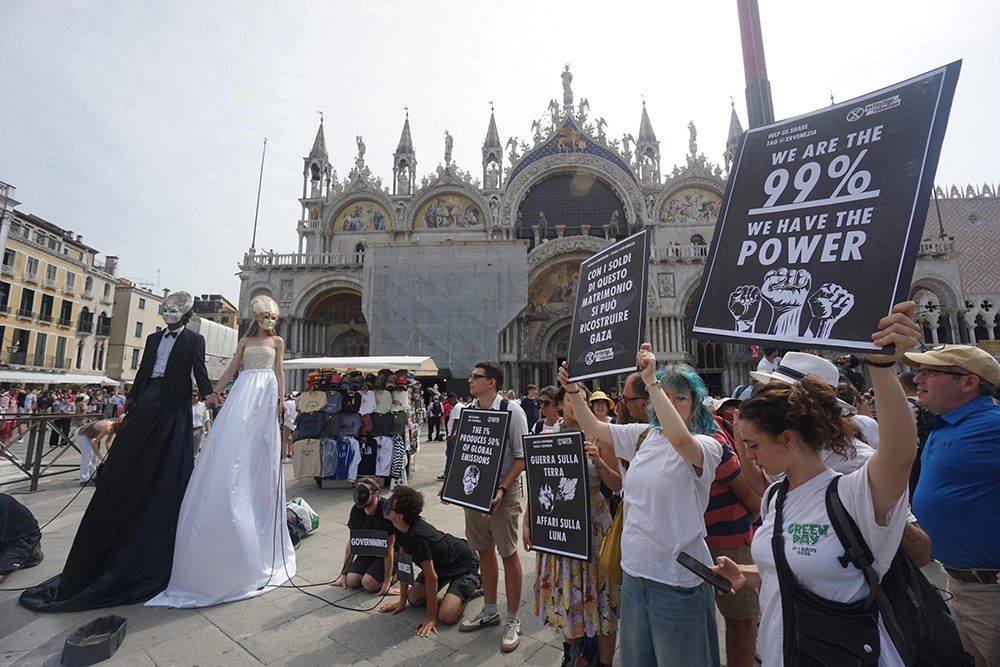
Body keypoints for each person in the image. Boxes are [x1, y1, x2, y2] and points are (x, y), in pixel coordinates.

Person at [712, 302, 922, 667]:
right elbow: (802, 563)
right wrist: (748, 573)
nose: (747, 455)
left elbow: (900, 453)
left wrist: (882, 366)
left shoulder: (853, 491)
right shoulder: (776, 496)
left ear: (788, 438)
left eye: (753, 445)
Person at [21, 291, 214, 612]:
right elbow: (144, 369)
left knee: (167, 451)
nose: (171, 314)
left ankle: (161, 482)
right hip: (149, 395)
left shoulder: (194, 340)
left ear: (186, 314)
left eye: (176, 310)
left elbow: (199, 372)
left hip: (174, 401)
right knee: (132, 445)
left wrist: (209, 396)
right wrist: (132, 396)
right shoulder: (153, 339)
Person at [559, 347, 724, 666]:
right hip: (635, 572)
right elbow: (593, 426)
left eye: (681, 398)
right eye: (666, 396)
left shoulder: (706, 445)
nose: (671, 404)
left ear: (696, 404)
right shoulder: (644, 436)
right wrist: (572, 389)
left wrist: (651, 381)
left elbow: (680, 440)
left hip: (676, 579)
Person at [146, 295, 294, 608]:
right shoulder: (245, 341)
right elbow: (232, 369)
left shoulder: (278, 342)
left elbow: (280, 371)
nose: (270, 322)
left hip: (266, 389)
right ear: (257, 317)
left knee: (260, 444)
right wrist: (214, 392)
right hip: (245, 389)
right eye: (266, 317)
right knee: (235, 440)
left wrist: (282, 399)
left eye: (273, 318)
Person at [904, 344, 1000, 666]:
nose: (917, 379)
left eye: (929, 372)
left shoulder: (993, 426)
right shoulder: (946, 422)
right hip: (959, 584)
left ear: (969, 383)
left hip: (991, 594)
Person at [522, 384, 621, 667]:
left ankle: (604, 662)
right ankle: (571, 654)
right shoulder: (546, 437)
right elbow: (539, 486)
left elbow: (616, 484)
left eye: (584, 399)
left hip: (593, 523)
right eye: (572, 399)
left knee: (600, 595)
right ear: (560, 404)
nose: (579, 404)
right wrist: (528, 522)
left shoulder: (601, 435)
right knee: (567, 590)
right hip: (559, 524)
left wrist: (599, 461)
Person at [453, 361, 527, 653]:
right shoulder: (469, 410)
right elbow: (465, 452)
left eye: (476, 377)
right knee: (483, 551)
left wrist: (502, 489)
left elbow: (521, 457)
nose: (470, 380)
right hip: (475, 491)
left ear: (491, 382)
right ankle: (490, 609)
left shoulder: (512, 411)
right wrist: (453, 486)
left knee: (508, 553)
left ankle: (513, 618)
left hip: (502, 494)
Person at [379, 485, 481, 637]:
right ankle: (449, 582)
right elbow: (403, 565)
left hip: (463, 562)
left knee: (446, 616)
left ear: (399, 516)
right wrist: (402, 602)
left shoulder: (418, 536)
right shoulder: (399, 527)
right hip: (440, 564)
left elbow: (431, 579)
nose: (386, 506)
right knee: (414, 600)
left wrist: (431, 617)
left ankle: (474, 581)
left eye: (390, 506)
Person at [331, 476, 396, 595]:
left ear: (376, 494)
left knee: (369, 584)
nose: (359, 497)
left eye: (364, 494)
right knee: (352, 580)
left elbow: (390, 547)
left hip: (388, 553)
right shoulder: (357, 510)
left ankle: (397, 574)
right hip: (368, 550)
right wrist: (344, 573)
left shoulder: (386, 510)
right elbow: (352, 542)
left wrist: (387, 582)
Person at [1, 493, 44, 585]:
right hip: (6, 538)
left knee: (2, 570)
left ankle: (31, 553)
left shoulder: (2, 502)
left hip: (23, 539)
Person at [74, 419, 118, 484]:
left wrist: (111, 454)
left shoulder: (113, 427)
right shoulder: (108, 428)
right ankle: (84, 478)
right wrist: (101, 458)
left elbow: (107, 442)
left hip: (90, 435)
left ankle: (93, 476)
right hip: (81, 434)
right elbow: (95, 444)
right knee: (88, 454)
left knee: (94, 456)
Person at [190, 390, 211, 459]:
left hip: (197, 430)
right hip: (186, 430)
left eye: (195, 395)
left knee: (194, 451)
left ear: (198, 397)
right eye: (191, 395)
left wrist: (208, 430)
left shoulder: (203, 406)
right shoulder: (186, 406)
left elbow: (206, 419)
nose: (192, 397)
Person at [282, 392, 297, 462]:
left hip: (288, 423)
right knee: (294, 441)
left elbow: (287, 414)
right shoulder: (297, 403)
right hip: (295, 424)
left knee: (284, 441)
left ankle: (284, 457)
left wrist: (284, 419)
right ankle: (294, 457)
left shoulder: (288, 403)